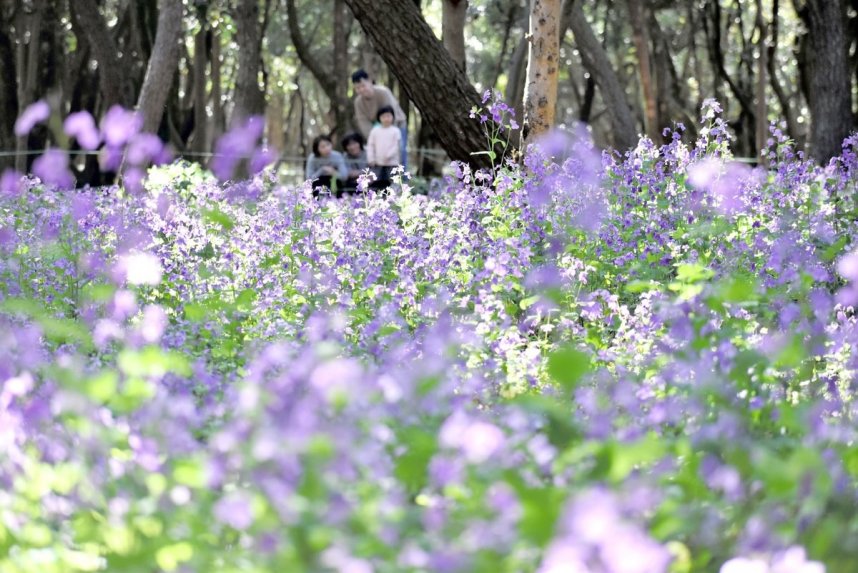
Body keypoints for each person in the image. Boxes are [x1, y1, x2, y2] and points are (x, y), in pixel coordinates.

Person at [351, 69, 408, 169]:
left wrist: (388, 133)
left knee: (399, 151)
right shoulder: (358, 102)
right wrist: (374, 136)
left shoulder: (383, 92)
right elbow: (363, 122)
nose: (361, 90)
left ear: (369, 81)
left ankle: (403, 179)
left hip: (396, 124)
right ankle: (384, 180)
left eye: (363, 86)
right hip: (377, 129)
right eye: (358, 88)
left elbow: (391, 113)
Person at [366, 106, 401, 189]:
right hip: (377, 163)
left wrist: (388, 156)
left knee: (393, 183)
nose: (386, 119)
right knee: (376, 183)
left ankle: (394, 199)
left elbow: (396, 145)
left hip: (392, 163)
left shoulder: (395, 131)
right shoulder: (375, 131)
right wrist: (371, 159)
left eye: (388, 116)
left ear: (393, 117)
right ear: (379, 118)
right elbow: (370, 145)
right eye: (383, 116)